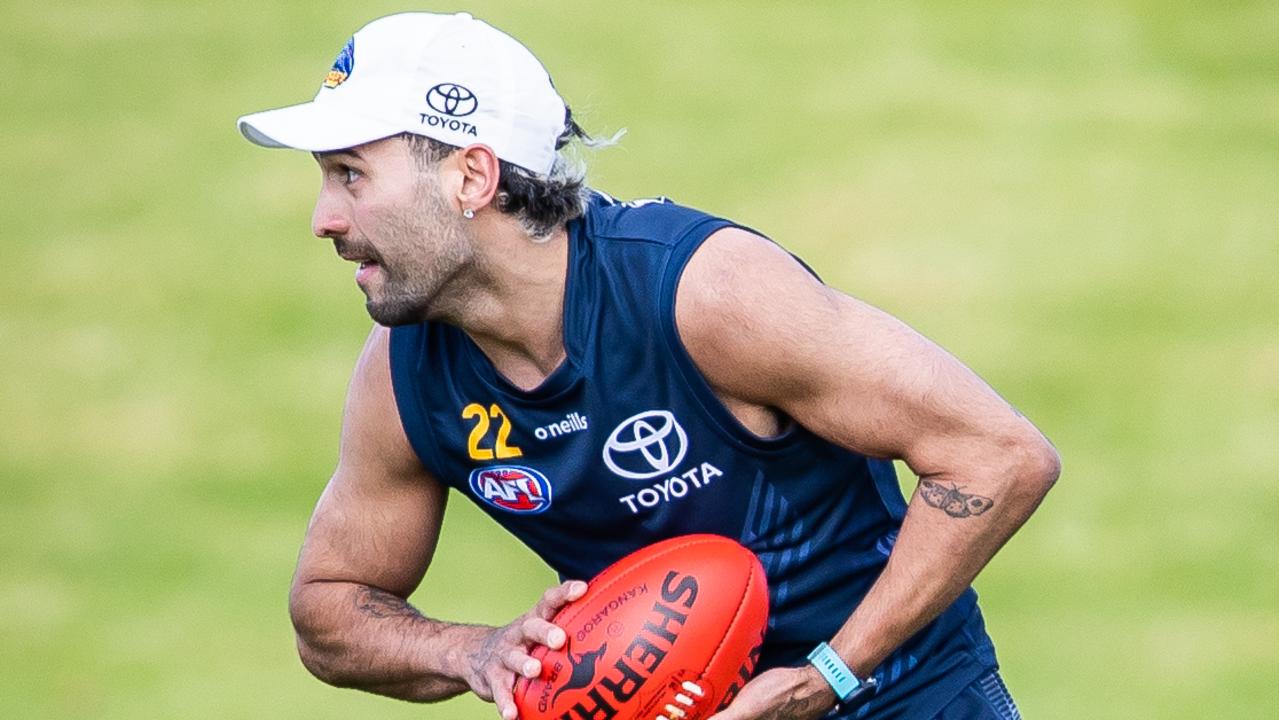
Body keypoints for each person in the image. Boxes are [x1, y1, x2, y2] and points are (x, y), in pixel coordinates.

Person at [237, 11, 1059, 720]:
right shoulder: (405, 375)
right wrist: (475, 652)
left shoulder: (700, 293)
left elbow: (998, 455)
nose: (323, 219)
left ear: (471, 176)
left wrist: (829, 676)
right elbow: (327, 609)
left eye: (351, 175)